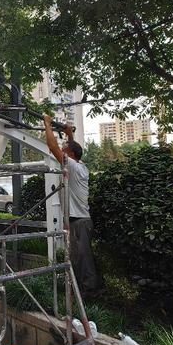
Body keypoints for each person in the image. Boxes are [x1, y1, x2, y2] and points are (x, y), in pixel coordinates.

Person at [42, 115, 99, 293]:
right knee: (78, 259)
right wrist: (69, 135)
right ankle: (80, 291)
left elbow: (52, 147)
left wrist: (47, 124)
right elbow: (71, 149)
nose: (62, 153)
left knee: (83, 261)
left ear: (71, 156)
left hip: (79, 222)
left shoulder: (73, 166)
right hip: (80, 220)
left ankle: (89, 294)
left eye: (65, 151)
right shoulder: (80, 166)